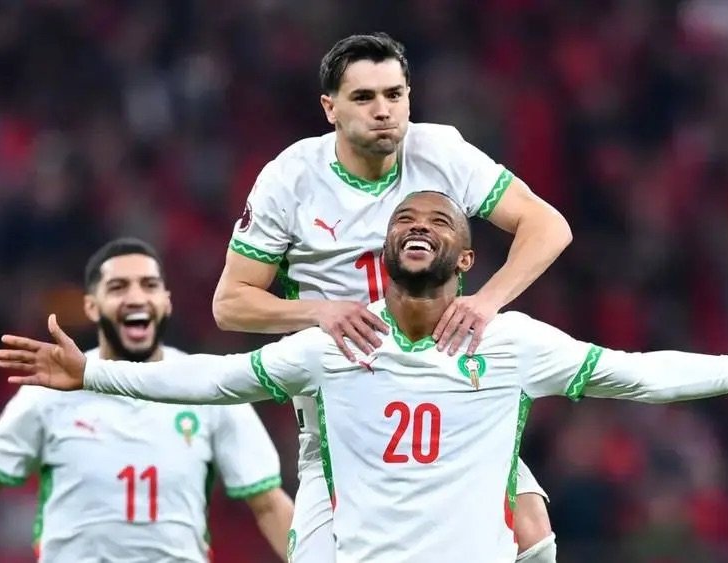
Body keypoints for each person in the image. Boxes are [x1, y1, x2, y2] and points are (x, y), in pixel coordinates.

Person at [0, 193, 728, 563]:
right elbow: (216, 380)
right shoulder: (333, 342)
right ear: (384, 254)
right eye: (404, 219)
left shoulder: (514, 342)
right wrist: (91, 376)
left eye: (438, 219)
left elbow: (644, 376)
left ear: (463, 255)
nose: (418, 222)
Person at [211, 32, 571, 562]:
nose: (384, 111)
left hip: (444, 383)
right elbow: (230, 303)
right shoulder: (290, 179)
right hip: (344, 403)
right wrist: (319, 311)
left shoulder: (440, 152)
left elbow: (548, 226)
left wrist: (487, 301)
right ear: (329, 108)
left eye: (394, 94)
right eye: (364, 98)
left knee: (531, 527)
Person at [0, 238, 294, 562]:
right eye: (118, 287)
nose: (136, 297)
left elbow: (269, 504)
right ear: (91, 305)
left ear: (166, 301)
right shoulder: (47, 394)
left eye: (149, 285)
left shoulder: (209, 388)